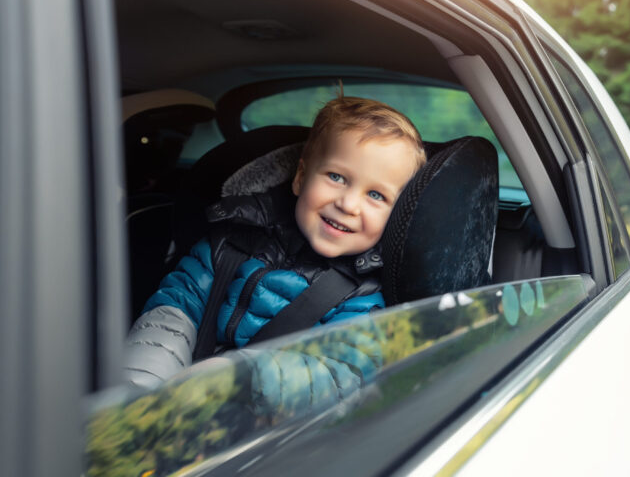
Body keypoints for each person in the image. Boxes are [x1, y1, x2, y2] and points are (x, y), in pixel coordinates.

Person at [123, 95, 426, 393]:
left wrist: (240, 379)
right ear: (301, 177)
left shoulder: (365, 301)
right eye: (336, 177)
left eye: (376, 195)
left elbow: (337, 375)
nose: (348, 204)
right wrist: (142, 387)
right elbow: (173, 312)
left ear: (396, 216)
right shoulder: (229, 243)